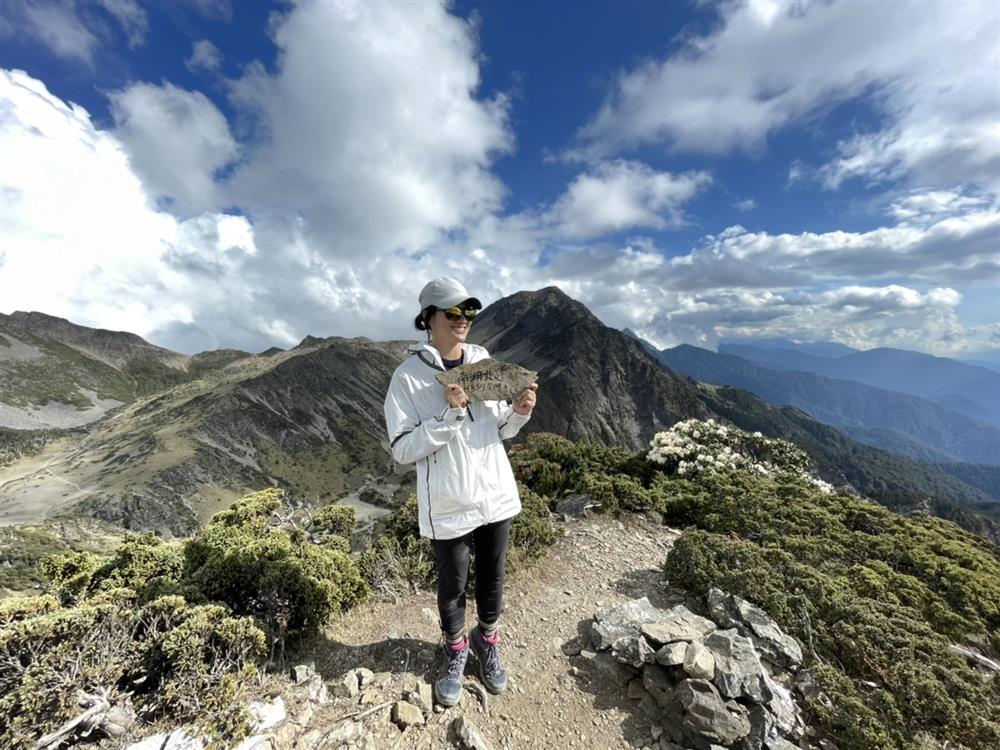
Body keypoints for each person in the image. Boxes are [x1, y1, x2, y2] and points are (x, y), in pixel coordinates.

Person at [383, 277, 538, 707]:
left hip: (494, 493)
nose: (463, 320)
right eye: (452, 313)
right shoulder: (408, 379)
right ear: (427, 317)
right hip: (449, 500)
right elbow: (401, 449)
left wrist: (519, 413)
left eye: (468, 312)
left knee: (493, 578)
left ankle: (487, 641)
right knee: (452, 584)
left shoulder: (483, 362)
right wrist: (448, 417)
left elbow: (498, 428)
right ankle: (455, 649)